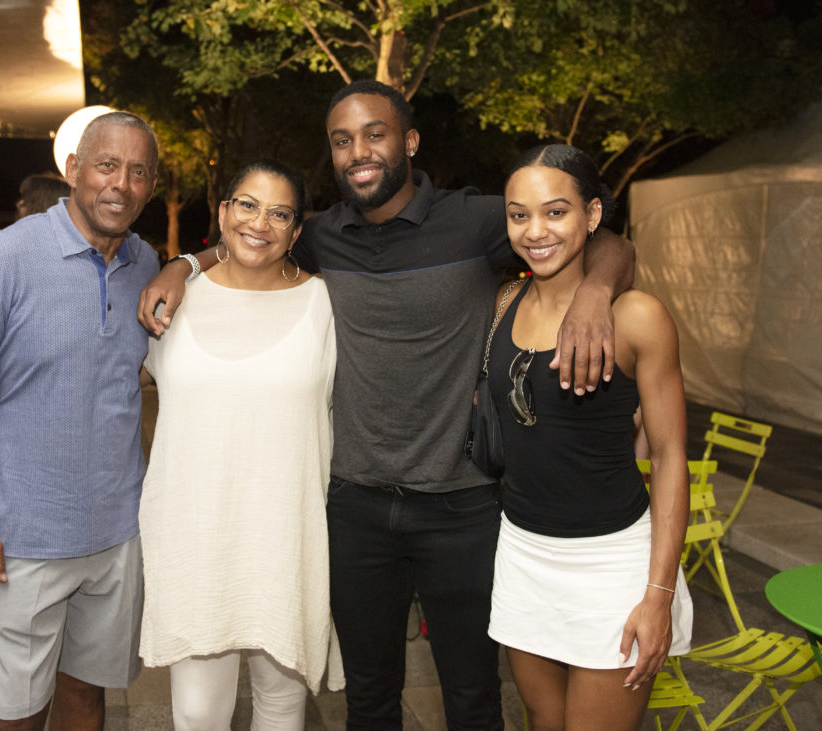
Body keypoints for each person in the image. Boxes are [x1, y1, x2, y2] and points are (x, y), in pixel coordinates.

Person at [138, 79, 635, 729]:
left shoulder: (475, 219)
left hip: (463, 504)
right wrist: (183, 263)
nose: (358, 152)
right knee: (368, 697)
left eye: (374, 134)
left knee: (472, 693)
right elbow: (253, 243)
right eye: (342, 141)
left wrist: (597, 292)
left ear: (409, 141)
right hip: (354, 507)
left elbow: (606, 240)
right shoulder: (322, 235)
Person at [0, 111, 160, 731]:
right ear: (73, 170)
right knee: (18, 716)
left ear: (152, 185)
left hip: (116, 532)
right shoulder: (3, 260)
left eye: (139, 172)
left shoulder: (146, 263)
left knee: (88, 698)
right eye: (107, 165)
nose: (121, 184)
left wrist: (187, 267)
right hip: (22, 541)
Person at [486, 144, 692, 730]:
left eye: (556, 212)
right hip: (523, 554)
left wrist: (659, 595)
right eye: (519, 215)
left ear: (593, 216)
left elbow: (672, 457)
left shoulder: (637, 316)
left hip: (613, 564)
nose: (535, 231)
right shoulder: (504, 303)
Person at [139, 159, 341, 728]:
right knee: (198, 712)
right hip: (196, 540)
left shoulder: (324, 306)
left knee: (283, 707)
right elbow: (105, 378)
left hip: (287, 539)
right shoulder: (169, 301)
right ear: (224, 213)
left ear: (296, 232)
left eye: (280, 214)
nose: (261, 223)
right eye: (248, 205)